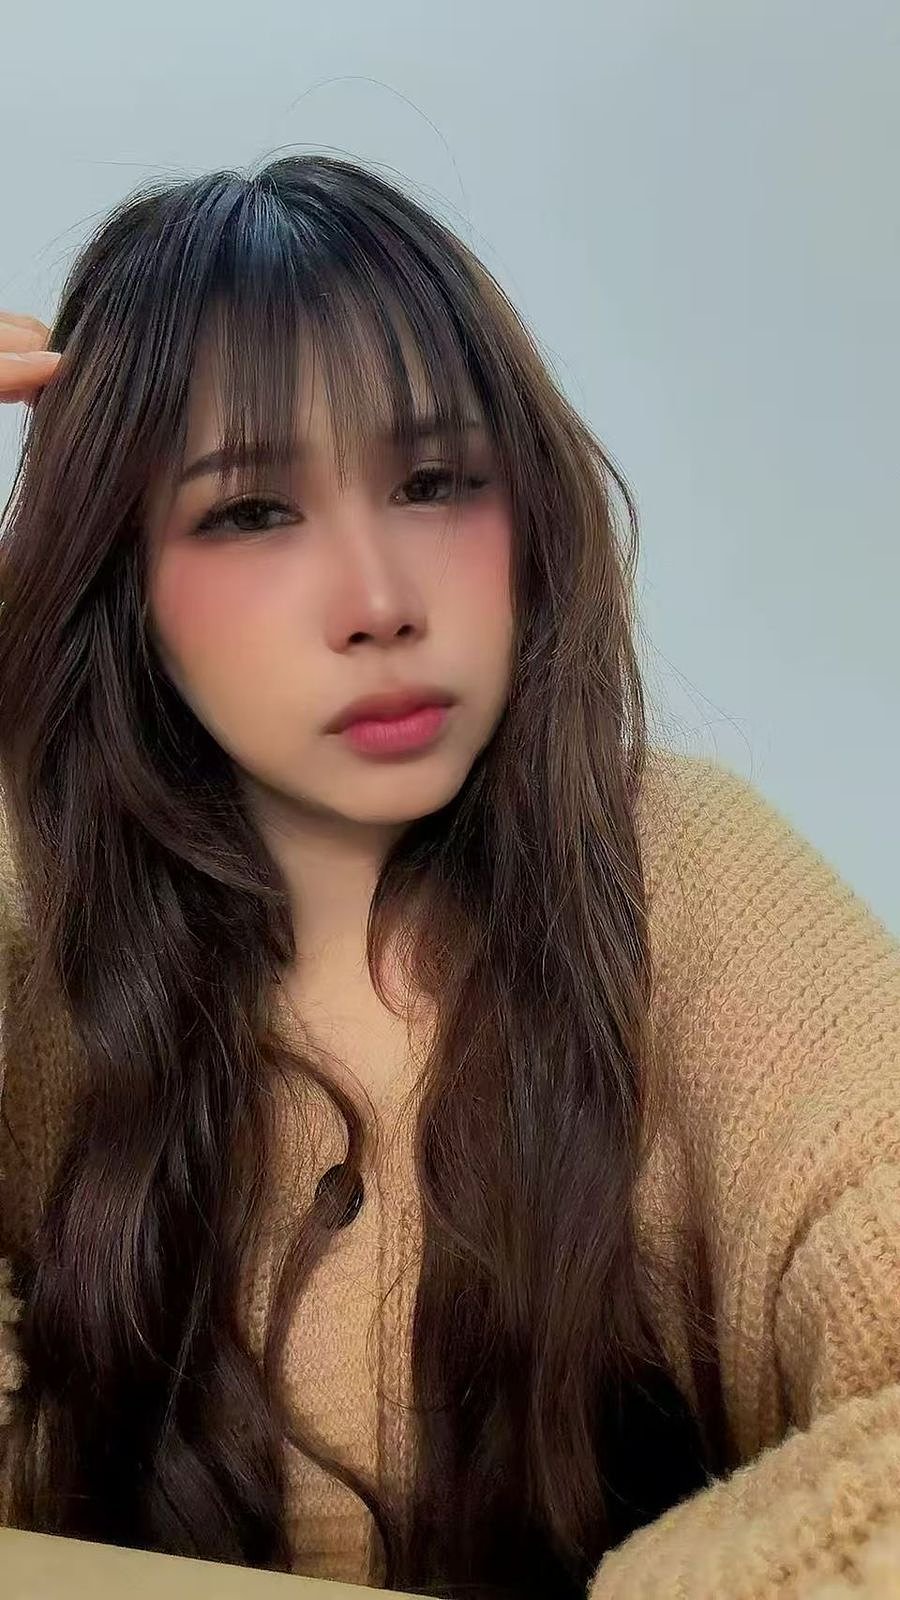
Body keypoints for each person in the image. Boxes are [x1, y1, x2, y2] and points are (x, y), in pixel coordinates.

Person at [0, 158, 897, 1600]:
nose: (380, 603)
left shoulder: (679, 874)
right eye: (251, 512)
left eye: (433, 485)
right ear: (119, 570)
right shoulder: (34, 938)